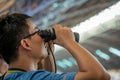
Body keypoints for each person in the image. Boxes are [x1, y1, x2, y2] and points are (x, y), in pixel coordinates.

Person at [0, 13, 110, 80]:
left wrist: (48, 53)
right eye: (37, 31)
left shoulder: (9, 76)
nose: (41, 36)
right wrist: (69, 42)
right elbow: (100, 76)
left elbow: (48, 75)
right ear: (26, 44)